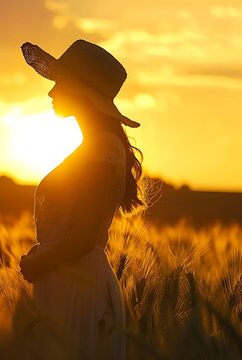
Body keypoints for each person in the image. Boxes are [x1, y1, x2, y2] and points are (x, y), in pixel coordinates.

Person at [18, 39, 145, 359]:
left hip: (77, 288)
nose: (51, 92)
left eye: (60, 82)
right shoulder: (95, 147)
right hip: (68, 283)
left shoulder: (102, 150)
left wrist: (37, 262)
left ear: (81, 90)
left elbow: (84, 236)